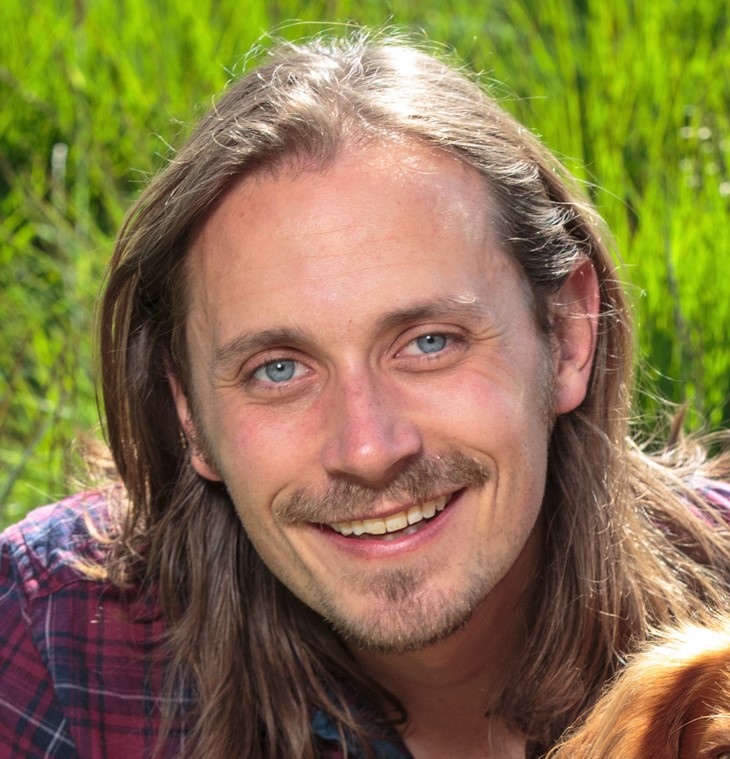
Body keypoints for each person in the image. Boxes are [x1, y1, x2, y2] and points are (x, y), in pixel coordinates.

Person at [1, 31, 729, 759]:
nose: (369, 448)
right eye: (278, 369)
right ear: (189, 410)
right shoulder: (56, 641)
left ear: (568, 332)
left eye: (429, 341)